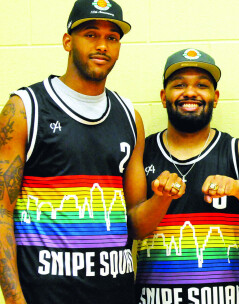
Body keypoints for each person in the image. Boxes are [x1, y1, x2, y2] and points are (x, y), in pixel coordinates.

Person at [0, 0, 186, 303]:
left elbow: (135, 225)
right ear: (67, 41)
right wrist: (14, 299)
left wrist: (163, 199)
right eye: (91, 34)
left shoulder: (129, 117)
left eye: (112, 37)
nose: (102, 45)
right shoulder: (26, 108)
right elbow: (2, 212)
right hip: (46, 296)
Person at [134, 48, 239, 304]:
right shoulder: (143, 151)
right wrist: (160, 198)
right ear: (163, 96)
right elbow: (133, 229)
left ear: (215, 97)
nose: (190, 92)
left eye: (201, 86)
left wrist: (238, 188)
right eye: (179, 85)